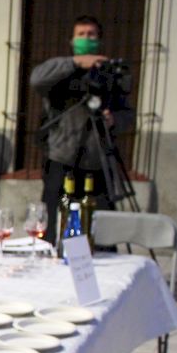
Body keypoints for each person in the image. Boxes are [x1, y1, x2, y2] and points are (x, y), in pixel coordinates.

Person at [30, 14, 134, 243]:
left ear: (99, 40)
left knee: (102, 229)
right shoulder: (60, 71)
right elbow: (36, 79)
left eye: (91, 35)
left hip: (99, 161)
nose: (86, 39)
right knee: (54, 224)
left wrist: (113, 120)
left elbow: (128, 115)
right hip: (62, 158)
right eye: (81, 34)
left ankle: (99, 258)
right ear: (72, 40)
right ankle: (55, 256)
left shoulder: (109, 74)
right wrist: (76, 63)